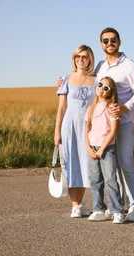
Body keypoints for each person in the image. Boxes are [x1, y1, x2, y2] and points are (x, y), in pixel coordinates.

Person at [94, 27, 134, 222]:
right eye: (105, 41)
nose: (109, 43)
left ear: (119, 42)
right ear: (101, 44)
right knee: (111, 166)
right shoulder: (99, 67)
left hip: (123, 123)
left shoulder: (130, 66)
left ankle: (133, 207)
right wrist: (63, 82)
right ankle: (117, 207)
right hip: (103, 126)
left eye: (113, 40)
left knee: (126, 162)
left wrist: (124, 108)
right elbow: (87, 83)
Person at [54, 45, 97, 218]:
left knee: (86, 164)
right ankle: (74, 206)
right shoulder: (66, 79)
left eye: (84, 57)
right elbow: (61, 108)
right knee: (72, 162)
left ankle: (79, 205)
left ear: (90, 59)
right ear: (74, 59)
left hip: (89, 127)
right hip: (70, 125)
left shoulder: (96, 79)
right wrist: (57, 132)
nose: (81, 59)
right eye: (78, 56)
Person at [85, 76, 124, 223]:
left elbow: (113, 131)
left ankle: (117, 211)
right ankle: (98, 209)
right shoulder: (91, 107)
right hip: (92, 148)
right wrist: (89, 147)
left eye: (106, 87)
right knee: (95, 180)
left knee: (110, 179)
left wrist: (102, 149)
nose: (101, 88)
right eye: (100, 85)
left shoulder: (112, 107)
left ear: (110, 92)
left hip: (106, 148)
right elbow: (87, 129)